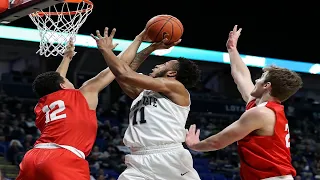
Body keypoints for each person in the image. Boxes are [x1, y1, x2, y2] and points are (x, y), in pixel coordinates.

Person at [185, 25, 303, 180]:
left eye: (260, 78)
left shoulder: (261, 113)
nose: (256, 80)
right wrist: (232, 49)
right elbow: (241, 76)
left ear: (267, 86)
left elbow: (218, 142)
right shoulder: (261, 106)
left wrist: (195, 146)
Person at [15, 38, 143, 180]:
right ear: (63, 86)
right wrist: (140, 37)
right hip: (63, 157)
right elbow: (117, 67)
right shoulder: (82, 94)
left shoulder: (42, 106)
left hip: (32, 158)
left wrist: (67, 57)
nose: (72, 84)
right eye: (69, 81)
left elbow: (57, 80)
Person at [91, 27, 201, 180]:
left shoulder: (176, 87)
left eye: (164, 64)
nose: (157, 65)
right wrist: (150, 46)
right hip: (138, 159)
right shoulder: (143, 92)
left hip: (168, 157)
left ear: (171, 74)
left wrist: (105, 50)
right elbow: (123, 74)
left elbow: (125, 73)